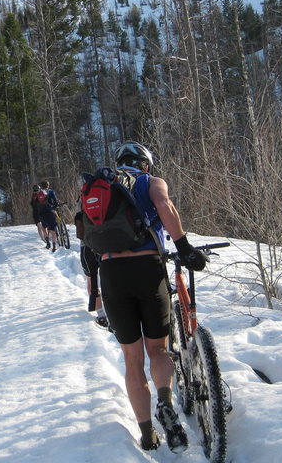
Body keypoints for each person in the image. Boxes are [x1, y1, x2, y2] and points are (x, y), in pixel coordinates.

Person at [97, 141, 207, 452]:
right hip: (147, 268)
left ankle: (147, 434)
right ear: (146, 163)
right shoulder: (150, 181)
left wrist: (96, 290)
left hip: (112, 275)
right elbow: (163, 205)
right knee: (157, 349)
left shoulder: (102, 186)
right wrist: (184, 246)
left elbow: (87, 235)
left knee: (132, 360)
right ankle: (164, 399)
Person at [75, 210, 108, 328]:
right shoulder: (107, 195)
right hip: (106, 244)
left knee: (91, 279)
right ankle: (111, 312)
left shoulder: (83, 200)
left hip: (87, 246)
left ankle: (101, 315)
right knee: (108, 278)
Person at [36, 179, 59, 252]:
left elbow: (36, 204)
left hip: (42, 213)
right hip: (50, 212)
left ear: (41, 186)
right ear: (48, 185)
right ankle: (54, 246)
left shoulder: (39, 193)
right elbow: (55, 201)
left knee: (43, 228)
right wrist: (55, 206)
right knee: (53, 230)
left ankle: (48, 243)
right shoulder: (51, 191)